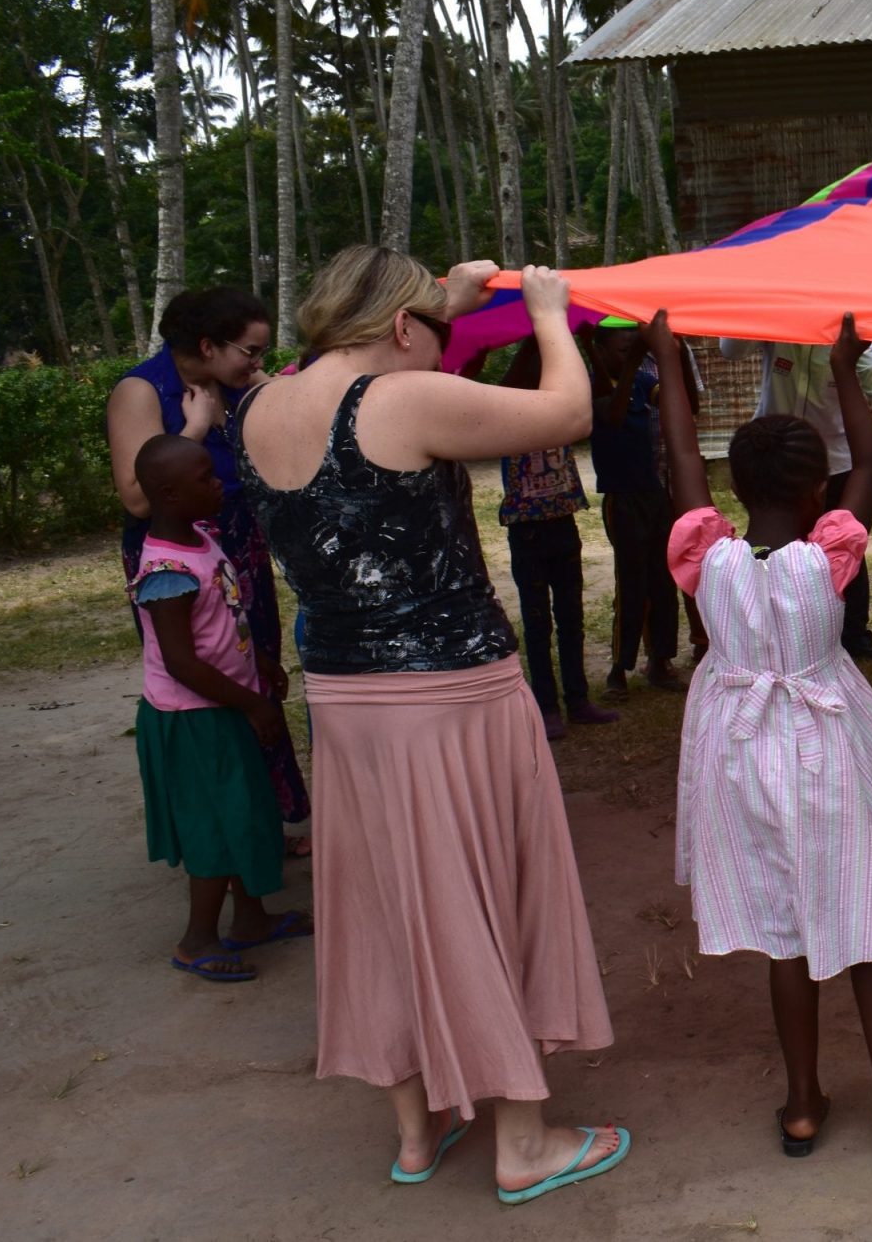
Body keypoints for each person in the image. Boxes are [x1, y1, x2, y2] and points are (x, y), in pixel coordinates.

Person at [232, 248, 626, 1204]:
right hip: (448, 695)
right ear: (402, 331)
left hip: (343, 700)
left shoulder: (261, 406)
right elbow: (566, 416)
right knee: (477, 895)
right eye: (427, 327)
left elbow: (392, 400)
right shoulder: (396, 402)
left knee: (382, 908)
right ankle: (524, 1142)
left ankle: (417, 1132)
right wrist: (545, 312)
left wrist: (437, 308)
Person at [656, 311, 872, 1160]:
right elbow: (871, 464)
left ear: (731, 492)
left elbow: (680, 458)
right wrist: (846, 372)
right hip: (832, 749)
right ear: (821, 490)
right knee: (866, 921)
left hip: (742, 757)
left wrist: (669, 362)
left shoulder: (705, 557)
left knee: (786, 933)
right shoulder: (828, 556)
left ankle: (803, 1104)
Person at [107, 288, 309, 853]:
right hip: (181, 559)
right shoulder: (141, 390)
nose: (257, 363)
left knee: (254, 671)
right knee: (210, 683)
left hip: (237, 550)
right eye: (250, 350)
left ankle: (265, 818)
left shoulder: (237, 386)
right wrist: (194, 428)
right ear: (207, 345)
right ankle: (227, 830)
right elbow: (137, 497)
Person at [129, 434, 311, 983]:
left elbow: (225, 616)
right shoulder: (166, 572)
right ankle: (197, 940)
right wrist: (252, 702)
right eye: (206, 478)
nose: (217, 484)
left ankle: (250, 920)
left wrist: (258, 661)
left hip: (223, 706)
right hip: (193, 719)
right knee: (213, 826)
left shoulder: (201, 539)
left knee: (243, 813)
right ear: (167, 494)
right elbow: (182, 663)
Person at [718, 333, 872, 659]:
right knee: (779, 546)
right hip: (777, 459)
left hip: (835, 462)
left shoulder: (848, 336)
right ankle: (778, 630)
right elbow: (731, 350)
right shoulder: (773, 324)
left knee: (844, 546)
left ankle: (852, 635)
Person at [490, 341, 619, 740]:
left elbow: (603, 396)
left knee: (571, 618)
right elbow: (511, 381)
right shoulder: (508, 405)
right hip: (526, 526)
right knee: (536, 621)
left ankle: (577, 701)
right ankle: (546, 706)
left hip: (562, 521)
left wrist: (586, 345)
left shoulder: (560, 405)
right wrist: (535, 338)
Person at [589, 324, 688, 695]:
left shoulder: (645, 384)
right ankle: (619, 667)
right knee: (632, 584)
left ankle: (660, 661)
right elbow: (613, 416)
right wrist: (630, 365)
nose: (629, 356)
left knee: (663, 583)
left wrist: (676, 357)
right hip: (623, 498)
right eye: (621, 350)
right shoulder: (593, 384)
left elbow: (683, 405)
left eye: (633, 350)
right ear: (598, 352)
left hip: (654, 493)